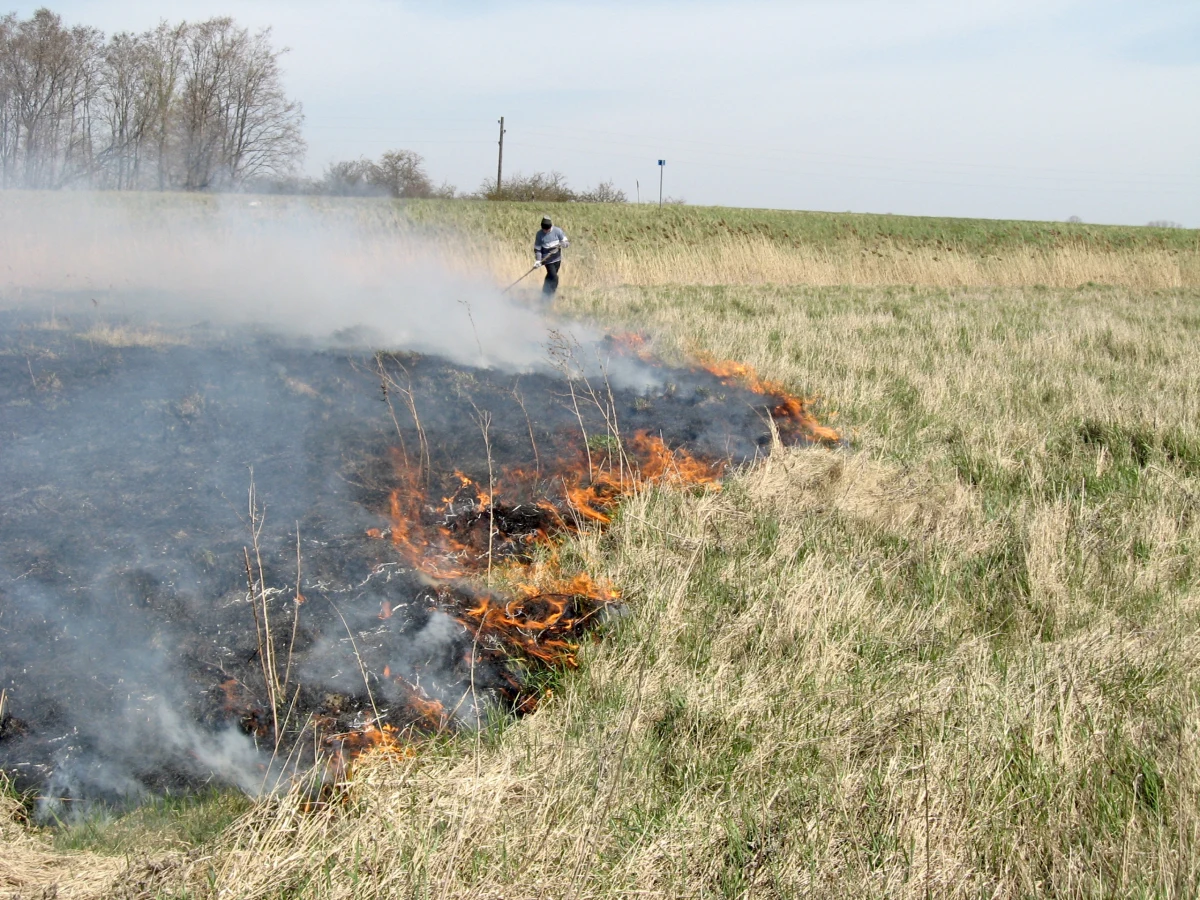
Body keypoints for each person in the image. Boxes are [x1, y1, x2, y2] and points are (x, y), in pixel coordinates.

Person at [533, 216, 569, 298]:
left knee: (550, 276)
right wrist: (538, 260)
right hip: (547, 260)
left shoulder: (558, 231)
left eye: (547, 229)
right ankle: (551, 296)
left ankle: (544, 293)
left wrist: (563, 244)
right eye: (544, 229)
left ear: (551, 226)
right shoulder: (539, 234)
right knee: (554, 277)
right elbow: (537, 249)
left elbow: (566, 242)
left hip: (557, 258)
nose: (545, 231)